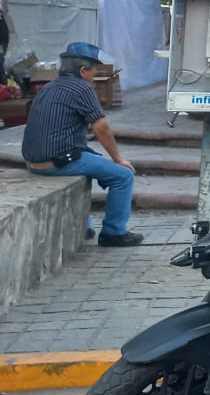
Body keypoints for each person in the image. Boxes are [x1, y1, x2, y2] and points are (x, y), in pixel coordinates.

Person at [21, 42, 141, 248]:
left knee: (93, 159)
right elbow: (101, 128)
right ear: (83, 70)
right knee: (123, 176)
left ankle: (84, 227)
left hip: (34, 161)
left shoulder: (50, 87)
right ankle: (114, 233)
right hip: (58, 162)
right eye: (94, 70)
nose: (95, 75)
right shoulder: (82, 88)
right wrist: (118, 159)